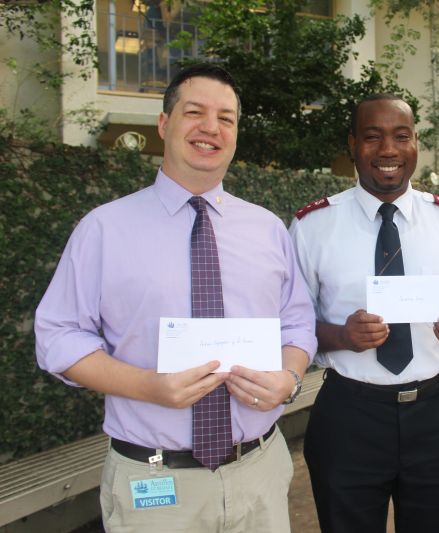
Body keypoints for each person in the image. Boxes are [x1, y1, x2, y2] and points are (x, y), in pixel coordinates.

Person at [35, 63, 317, 532]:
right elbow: (58, 337)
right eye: (195, 112)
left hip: (259, 473)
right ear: (164, 124)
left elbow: (296, 322)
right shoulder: (104, 229)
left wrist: (289, 377)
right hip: (154, 484)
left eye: (226, 118)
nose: (211, 127)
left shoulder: (267, 229)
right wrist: (148, 386)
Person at [289, 94, 439, 533]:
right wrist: (342, 337)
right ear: (352, 144)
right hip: (349, 415)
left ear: (416, 142)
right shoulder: (312, 227)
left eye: (401, 136)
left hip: (437, 413)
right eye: (372, 137)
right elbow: (292, 328)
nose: (388, 150)